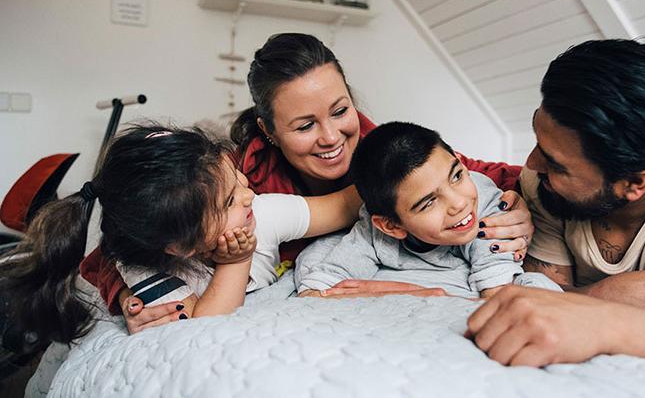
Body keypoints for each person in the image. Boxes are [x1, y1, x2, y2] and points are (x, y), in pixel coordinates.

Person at [79, 33, 535, 333]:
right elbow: (121, 240)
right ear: (269, 132)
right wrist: (132, 298)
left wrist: (522, 206)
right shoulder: (238, 181)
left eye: (340, 111)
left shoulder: (387, 155)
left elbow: (495, 175)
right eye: (304, 126)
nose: (332, 137)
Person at [465, 39, 645, 366]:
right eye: (537, 140)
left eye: (557, 165)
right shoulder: (543, 184)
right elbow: (540, 293)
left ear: (634, 183)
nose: (530, 164)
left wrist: (610, 322)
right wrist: (604, 296)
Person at [0, 125, 362, 343]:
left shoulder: (259, 212)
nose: (249, 194)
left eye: (240, 179)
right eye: (230, 200)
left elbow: (343, 207)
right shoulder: (141, 270)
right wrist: (236, 261)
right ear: (181, 246)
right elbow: (202, 326)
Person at [295, 122, 561, 298]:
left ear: (459, 161)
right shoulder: (374, 233)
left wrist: (413, 292)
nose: (458, 203)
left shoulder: (486, 205)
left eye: (456, 176)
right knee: (316, 253)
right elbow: (318, 289)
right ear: (391, 226)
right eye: (429, 202)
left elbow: (497, 296)